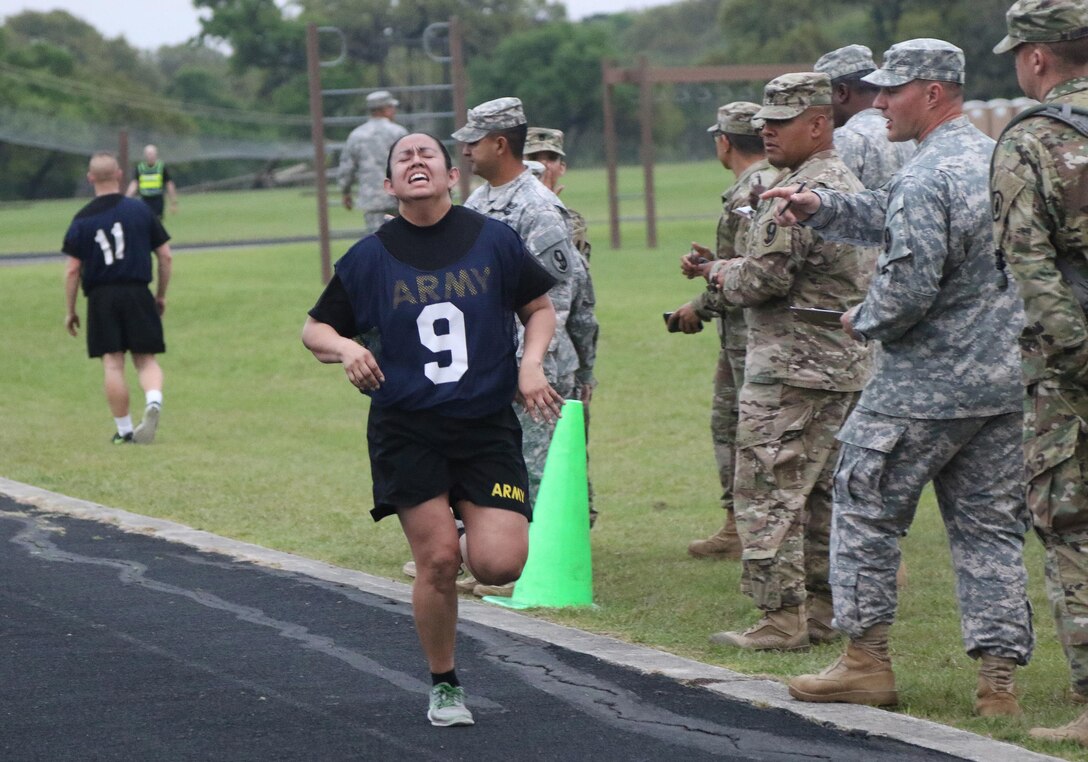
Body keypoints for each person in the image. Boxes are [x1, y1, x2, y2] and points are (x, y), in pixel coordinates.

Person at [771, 39, 1034, 715]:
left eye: (893, 90)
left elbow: (908, 287)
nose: (878, 101)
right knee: (989, 530)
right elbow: (889, 213)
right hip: (1003, 384)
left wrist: (865, 317)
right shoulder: (992, 156)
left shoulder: (925, 177)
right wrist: (820, 208)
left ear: (934, 93)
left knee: (863, 505)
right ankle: (998, 684)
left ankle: (866, 662)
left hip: (923, 384)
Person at [302, 132, 564, 727]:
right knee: (439, 562)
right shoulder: (370, 256)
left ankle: (468, 522)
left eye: (428, 155)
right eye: (404, 158)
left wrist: (529, 366)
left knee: (500, 566)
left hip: (484, 424)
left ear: (451, 176)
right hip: (408, 427)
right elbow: (314, 329)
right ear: (389, 185)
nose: (416, 161)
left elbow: (539, 309)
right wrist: (345, 349)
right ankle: (444, 683)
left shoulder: (492, 240)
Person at [705, 74, 876, 650]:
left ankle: (781, 618)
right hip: (839, 362)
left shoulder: (797, 193)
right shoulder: (840, 184)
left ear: (820, 123)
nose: (767, 133)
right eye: (765, 124)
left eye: (781, 123)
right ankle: (823, 611)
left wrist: (718, 272)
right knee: (822, 492)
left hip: (791, 364)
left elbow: (761, 281)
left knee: (766, 487)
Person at [452, 98, 599, 598]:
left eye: (474, 140)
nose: (466, 148)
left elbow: (554, 302)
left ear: (500, 143)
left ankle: (525, 571)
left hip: (531, 368)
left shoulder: (539, 208)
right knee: (492, 464)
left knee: (530, 468)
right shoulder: (478, 204)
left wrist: (526, 366)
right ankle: (491, 559)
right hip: (487, 366)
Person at [990, 0, 1088, 742]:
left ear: (1038, 58)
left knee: (1071, 525)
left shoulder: (1033, 140)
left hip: (1070, 372)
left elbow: (1030, 264)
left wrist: (1075, 360)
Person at [668, 102, 770, 561]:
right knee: (730, 425)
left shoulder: (751, 192)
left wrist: (697, 304)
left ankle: (758, 531)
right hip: (742, 338)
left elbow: (751, 278)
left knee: (755, 435)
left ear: (724, 142)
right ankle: (737, 527)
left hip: (756, 340)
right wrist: (711, 267)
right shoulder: (763, 185)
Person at [66, 151, 172, 444]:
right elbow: (165, 256)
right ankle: (153, 400)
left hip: (101, 296)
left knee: (113, 362)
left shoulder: (82, 218)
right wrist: (160, 295)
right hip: (138, 291)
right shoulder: (140, 211)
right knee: (146, 359)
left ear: (90, 179)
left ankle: (124, 430)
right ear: (120, 175)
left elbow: (74, 269)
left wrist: (71, 309)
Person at [523, 126, 599, 528]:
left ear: (561, 166)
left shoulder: (568, 223)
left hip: (555, 357)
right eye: (531, 157)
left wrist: (586, 367)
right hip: (522, 354)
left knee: (558, 452)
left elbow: (578, 302)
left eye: (548, 158)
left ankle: (568, 529)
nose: (540, 166)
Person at [813, 45, 915, 190]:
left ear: (842, 92)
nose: (821, 108)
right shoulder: (905, 134)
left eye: (823, 97)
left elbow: (825, 204)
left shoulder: (846, 138)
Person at [337, 90, 408, 233]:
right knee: (404, 239)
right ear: (386, 109)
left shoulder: (357, 135)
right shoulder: (398, 132)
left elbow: (347, 168)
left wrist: (345, 192)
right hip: (400, 196)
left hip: (372, 198)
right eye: (392, 107)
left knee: (377, 242)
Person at [125, 144, 178, 219]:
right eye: (148, 154)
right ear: (145, 155)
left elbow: (169, 183)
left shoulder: (161, 167)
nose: (150, 156)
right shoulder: (140, 168)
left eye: (152, 154)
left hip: (158, 200)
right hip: (144, 199)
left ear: (156, 154)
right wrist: (127, 198)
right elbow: (135, 183)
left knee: (157, 222)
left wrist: (173, 202)